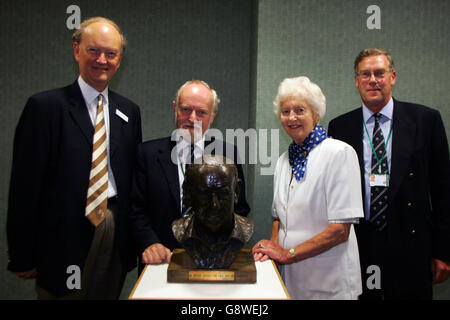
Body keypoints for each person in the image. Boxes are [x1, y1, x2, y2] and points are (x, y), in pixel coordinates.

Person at [6, 17, 142, 299]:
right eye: (94, 50)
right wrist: (22, 253)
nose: (102, 60)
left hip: (114, 232)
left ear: (120, 59)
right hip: (62, 236)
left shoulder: (129, 111)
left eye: (111, 53)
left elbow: (133, 180)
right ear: (76, 50)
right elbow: (24, 186)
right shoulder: (45, 108)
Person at [328, 48, 450, 299]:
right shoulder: (340, 126)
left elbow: (443, 191)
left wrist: (443, 251)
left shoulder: (426, 120)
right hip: (360, 243)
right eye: (365, 74)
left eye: (379, 73)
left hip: (412, 243)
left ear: (392, 77)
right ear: (356, 81)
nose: (372, 80)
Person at [252, 76, 363, 300]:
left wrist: (287, 254)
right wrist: (271, 249)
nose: (292, 117)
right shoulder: (284, 160)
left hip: (330, 282)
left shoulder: (339, 153)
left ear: (316, 114)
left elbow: (340, 231)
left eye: (300, 110)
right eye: (285, 111)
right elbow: (278, 218)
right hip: (290, 279)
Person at [131, 80, 250, 273]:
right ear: (175, 108)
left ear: (213, 115)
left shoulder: (228, 154)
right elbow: (135, 209)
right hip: (161, 260)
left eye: (201, 112)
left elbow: (240, 207)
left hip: (215, 258)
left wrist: (222, 246)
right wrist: (150, 243)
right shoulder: (147, 154)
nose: (192, 118)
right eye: (185, 109)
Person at [172, 155, 253, 269]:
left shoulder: (244, 231)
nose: (214, 205)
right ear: (188, 194)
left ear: (236, 192)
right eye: (204, 194)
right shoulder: (180, 230)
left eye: (223, 193)